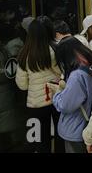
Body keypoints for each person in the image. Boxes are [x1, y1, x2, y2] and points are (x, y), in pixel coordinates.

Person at [16, 16, 63, 153]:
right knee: (59, 135)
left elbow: (22, 85)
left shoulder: (23, 54)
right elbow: (61, 73)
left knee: (41, 140)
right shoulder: (52, 50)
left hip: (35, 104)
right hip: (55, 99)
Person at [51, 37, 92, 153]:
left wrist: (57, 92)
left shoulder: (77, 75)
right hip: (89, 123)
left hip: (77, 129)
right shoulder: (91, 64)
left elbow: (65, 105)